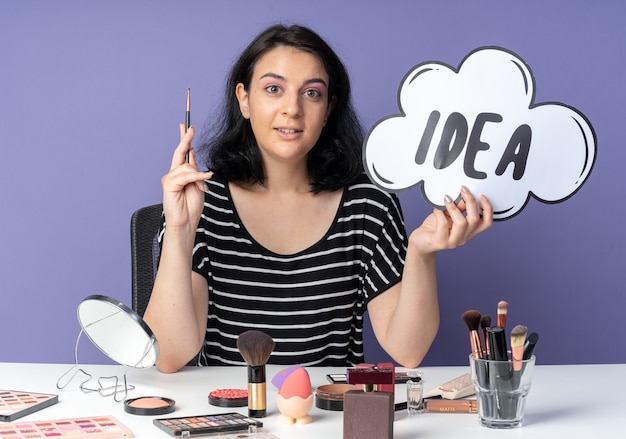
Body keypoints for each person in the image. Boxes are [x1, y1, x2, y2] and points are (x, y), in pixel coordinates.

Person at [143, 24, 493, 373]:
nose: (292, 109)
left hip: (333, 412)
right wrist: (179, 229)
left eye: (311, 93)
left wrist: (420, 252)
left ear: (328, 108)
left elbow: (409, 351)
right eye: (273, 89)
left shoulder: (368, 205)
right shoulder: (206, 201)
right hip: (230, 412)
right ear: (245, 99)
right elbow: (169, 356)